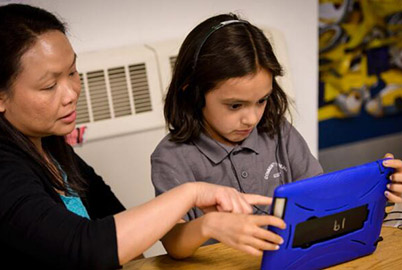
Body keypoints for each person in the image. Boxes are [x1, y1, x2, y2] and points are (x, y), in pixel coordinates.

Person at [0, 5, 286, 269]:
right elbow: (87, 248)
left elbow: (117, 224)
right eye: (49, 85)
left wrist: (197, 224)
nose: (71, 93)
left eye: (72, 72)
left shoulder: (43, 140)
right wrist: (191, 194)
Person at [151, 13, 402, 259]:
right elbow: (173, 243)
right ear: (193, 93)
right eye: (235, 106)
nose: (251, 118)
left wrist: (381, 189)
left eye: (261, 100)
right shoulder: (171, 158)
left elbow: (322, 200)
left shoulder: (278, 131)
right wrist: (209, 225)